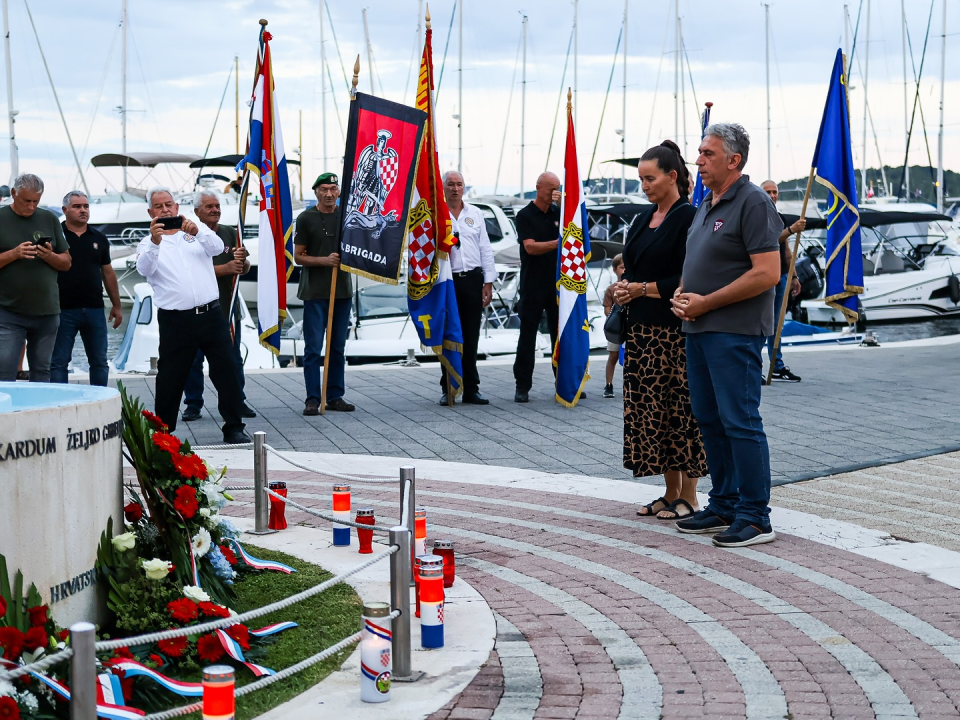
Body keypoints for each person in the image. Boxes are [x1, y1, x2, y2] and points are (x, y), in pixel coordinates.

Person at [671, 123, 782, 547]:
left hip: (733, 330)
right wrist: (683, 291)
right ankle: (724, 503)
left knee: (740, 421)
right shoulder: (706, 203)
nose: (697, 160)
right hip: (698, 327)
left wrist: (707, 302)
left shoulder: (752, 202)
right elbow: (699, 258)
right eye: (699, 153)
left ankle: (755, 516)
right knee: (710, 419)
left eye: (707, 153)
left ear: (733, 160)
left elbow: (767, 273)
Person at [614, 141, 708, 520]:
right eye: (640, 179)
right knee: (651, 414)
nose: (644, 186)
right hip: (640, 332)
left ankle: (690, 494)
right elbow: (633, 267)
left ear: (673, 177)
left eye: (650, 178)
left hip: (674, 332)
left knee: (680, 413)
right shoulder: (641, 219)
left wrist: (642, 289)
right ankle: (669, 491)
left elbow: (690, 276)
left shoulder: (691, 218)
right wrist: (624, 286)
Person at [135, 187, 249, 444]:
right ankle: (164, 432)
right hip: (176, 320)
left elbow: (218, 247)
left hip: (210, 314)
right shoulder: (147, 243)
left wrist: (198, 232)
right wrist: (155, 242)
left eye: (168, 205)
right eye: (158, 206)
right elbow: (144, 268)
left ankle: (234, 427)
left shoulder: (195, 229)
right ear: (150, 212)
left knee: (227, 370)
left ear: (176, 207)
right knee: (170, 377)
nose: (165, 209)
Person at [182, 191, 257, 421]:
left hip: (226, 307)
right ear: (196, 212)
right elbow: (189, 272)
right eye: (209, 207)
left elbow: (244, 267)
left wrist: (242, 263)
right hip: (194, 310)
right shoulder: (186, 236)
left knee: (232, 358)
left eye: (217, 206)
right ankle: (193, 404)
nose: (215, 210)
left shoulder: (231, 233)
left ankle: (237, 400)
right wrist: (225, 269)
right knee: (193, 360)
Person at [0, 174, 72, 382]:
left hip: (47, 311)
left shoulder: (49, 218)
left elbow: (66, 263)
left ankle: (40, 412)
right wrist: (14, 254)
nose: (31, 207)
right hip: (8, 311)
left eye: (35, 202)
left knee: (42, 372)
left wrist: (49, 255)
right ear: (14, 194)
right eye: (26, 201)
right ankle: (6, 414)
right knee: (4, 372)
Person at [295, 173, 355, 415]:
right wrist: (324, 260)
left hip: (342, 291)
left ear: (339, 192)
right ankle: (312, 397)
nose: (329, 193)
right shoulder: (305, 218)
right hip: (315, 292)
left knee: (337, 347)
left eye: (333, 189)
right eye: (324, 189)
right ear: (316, 192)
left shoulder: (347, 216)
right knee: (313, 348)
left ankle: (335, 395)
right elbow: (298, 256)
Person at [50, 191, 122, 386]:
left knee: (99, 362)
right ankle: (59, 406)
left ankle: (99, 405)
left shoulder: (99, 238)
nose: (83, 210)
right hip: (63, 310)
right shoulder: (56, 238)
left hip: (95, 309)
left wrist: (117, 305)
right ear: (65, 210)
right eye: (77, 206)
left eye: (86, 206)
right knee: (58, 362)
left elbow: (108, 273)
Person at [438, 170, 496, 405]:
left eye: (459, 184)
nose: (455, 188)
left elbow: (485, 248)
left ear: (464, 187)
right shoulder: (436, 213)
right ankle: (448, 388)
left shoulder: (475, 213)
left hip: (472, 279)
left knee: (471, 336)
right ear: (443, 187)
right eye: (450, 184)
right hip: (447, 281)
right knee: (448, 336)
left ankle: (472, 388)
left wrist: (488, 282)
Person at [513, 172, 572, 403]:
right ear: (538, 187)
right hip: (533, 284)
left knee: (560, 335)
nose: (553, 193)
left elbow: (576, 231)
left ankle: (564, 382)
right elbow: (530, 247)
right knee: (527, 336)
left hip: (557, 285)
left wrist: (563, 205)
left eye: (557, 188)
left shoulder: (560, 214)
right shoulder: (525, 215)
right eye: (551, 189)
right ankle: (522, 386)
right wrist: (558, 243)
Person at [760, 180, 804, 382]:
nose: (772, 195)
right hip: (765, 276)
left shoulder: (779, 217)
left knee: (777, 324)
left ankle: (776, 366)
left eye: (775, 192)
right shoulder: (758, 217)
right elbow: (770, 241)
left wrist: (793, 276)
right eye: (767, 191)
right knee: (763, 322)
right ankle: (754, 365)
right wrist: (791, 230)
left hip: (782, 274)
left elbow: (785, 248)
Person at [602, 253, 624, 398]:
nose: (624, 270)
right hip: (617, 328)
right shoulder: (611, 289)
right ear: (615, 270)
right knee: (613, 355)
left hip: (632, 326)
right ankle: (609, 384)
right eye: (622, 267)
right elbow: (607, 310)